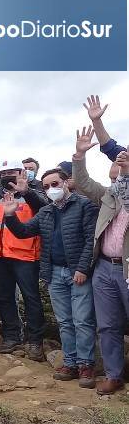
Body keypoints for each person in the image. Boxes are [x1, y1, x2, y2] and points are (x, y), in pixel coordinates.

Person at [4, 168, 97, 387]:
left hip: (77, 272)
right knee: (65, 321)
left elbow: (91, 240)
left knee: (82, 320)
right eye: (46, 186)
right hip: (54, 273)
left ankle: (86, 365)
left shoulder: (84, 206)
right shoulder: (46, 212)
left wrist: (83, 268)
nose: (51, 189)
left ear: (66, 183)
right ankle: (71, 362)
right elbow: (24, 232)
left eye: (55, 184)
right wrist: (10, 215)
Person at [73, 124, 128, 395]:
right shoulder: (109, 196)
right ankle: (113, 375)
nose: (117, 178)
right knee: (107, 325)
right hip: (105, 268)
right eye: (114, 176)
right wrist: (79, 157)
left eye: (122, 174)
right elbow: (82, 183)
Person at [0, 162, 48, 361]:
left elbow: (45, 211)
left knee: (31, 299)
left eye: (11, 172)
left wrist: (27, 192)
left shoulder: (34, 195)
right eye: (3, 173)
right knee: (3, 298)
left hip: (25, 255)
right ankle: (12, 337)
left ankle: (34, 340)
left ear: (21, 173)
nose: (7, 176)